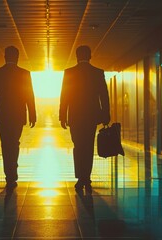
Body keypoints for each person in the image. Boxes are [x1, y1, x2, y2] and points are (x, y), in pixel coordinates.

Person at [0, 46, 36, 189]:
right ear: (17, 58)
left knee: (6, 144)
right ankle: (13, 167)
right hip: (18, 115)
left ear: (5, 57)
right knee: (14, 142)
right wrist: (32, 114)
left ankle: (9, 174)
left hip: (2, 115)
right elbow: (29, 95)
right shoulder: (24, 74)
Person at [59, 45, 110, 193]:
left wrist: (63, 116)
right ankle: (86, 178)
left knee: (78, 146)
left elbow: (65, 97)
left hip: (75, 117)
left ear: (76, 56)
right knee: (88, 146)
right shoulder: (97, 73)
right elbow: (104, 96)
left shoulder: (69, 73)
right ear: (90, 56)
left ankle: (80, 177)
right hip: (91, 117)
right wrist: (105, 115)